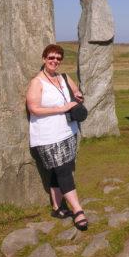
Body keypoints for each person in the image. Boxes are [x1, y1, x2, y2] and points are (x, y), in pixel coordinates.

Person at [25, 44, 89, 231]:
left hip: (68, 131)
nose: (55, 61)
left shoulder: (63, 77)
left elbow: (75, 92)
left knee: (61, 169)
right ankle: (78, 211)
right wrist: (61, 108)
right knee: (63, 171)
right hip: (48, 135)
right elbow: (34, 108)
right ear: (44, 58)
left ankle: (57, 207)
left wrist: (78, 96)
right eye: (51, 57)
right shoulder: (37, 82)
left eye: (58, 58)